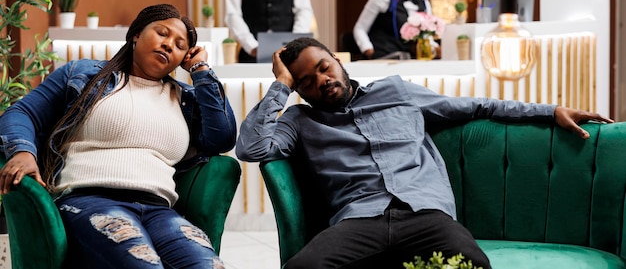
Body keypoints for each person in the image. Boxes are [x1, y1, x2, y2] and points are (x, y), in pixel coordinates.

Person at [236, 37, 612, 269]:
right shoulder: (300, 120)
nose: (323, 80)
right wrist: (280, 87)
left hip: (424, 214)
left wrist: (549, 112)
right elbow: (251, 147)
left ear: (338, 61)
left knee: (473, 265)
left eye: (324, 67)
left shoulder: (397, 92)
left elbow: (476, 107)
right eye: (307, 81)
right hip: (358, 220)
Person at [0, 4, 237, 269]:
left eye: (180, 45)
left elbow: (222, 137)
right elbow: (22, 112)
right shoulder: (84, 74)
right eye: (162, 33)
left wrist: (201, 70)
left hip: (159, 210)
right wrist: (22, 152)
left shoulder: (185, 99)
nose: (169, 45)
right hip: (90, 201)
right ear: (136, 34)